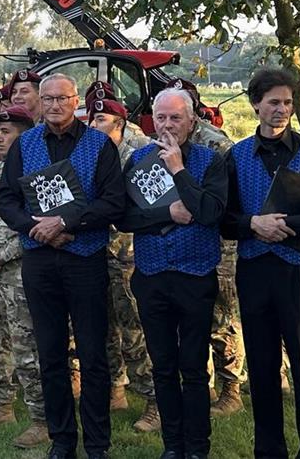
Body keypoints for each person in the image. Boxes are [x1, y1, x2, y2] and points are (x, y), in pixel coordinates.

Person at [0, 73, 125, 459]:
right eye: (48, 98)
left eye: (62, 99)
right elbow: (6, 199)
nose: (54, 105)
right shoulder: (25, 144)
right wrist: (35, 228)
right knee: (50, 354)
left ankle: (97, 445)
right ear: (41, 101)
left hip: (85, 260)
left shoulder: (99, 145)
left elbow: (113, 202)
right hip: (40, 260)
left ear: (75, 101)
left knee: (93, 355)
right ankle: (62, 440)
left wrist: (66, 222)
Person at [221, 67, 300, 459]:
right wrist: (253, 224)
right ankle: (269, 451)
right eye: (273, 102)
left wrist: (286, 227)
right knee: (262, 366)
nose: (282, 109)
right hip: (255, 270)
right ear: (256, 105)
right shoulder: (236, 157)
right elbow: (223, 219)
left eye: (287, 102)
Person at [119, 87, 227, 459]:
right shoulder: (138, 161)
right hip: (151, 276)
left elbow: (210, 213)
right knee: (163, 366)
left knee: (193, 367)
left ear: (191, 121)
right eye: (161, 117)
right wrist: (167, 214)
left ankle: (197, 447)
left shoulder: (210, 162)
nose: (167, 125)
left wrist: (179, 170)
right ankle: (173, 446)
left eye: (175, 118)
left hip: (195, 275)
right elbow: (124, 217)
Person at [0, 104, 49, 448]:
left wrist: (0, 257)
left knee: (27, 348)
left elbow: (39, 226)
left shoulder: (39, 172)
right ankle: (1, 405)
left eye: (6, 133)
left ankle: (42, 419)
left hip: (20, 271)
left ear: (25, 137)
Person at [169, 77, 248, 417]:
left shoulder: (215, 144)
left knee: (223, 315)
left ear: (192, 111)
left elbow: (227, 198)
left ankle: (232, 388)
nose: (171, 121)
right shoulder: (165, 141)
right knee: (194, 320)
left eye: (179, 112)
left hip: (219, 241)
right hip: (183, 244)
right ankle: (206, 383)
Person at [86, 91, 156, 428]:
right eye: (91, 119)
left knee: (135, 329)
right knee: (104, 326)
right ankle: (116, 388)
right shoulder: (91, 156)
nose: (93, 125)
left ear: (120, 125)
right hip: (97, 252)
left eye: (101, 120)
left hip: (128, 256)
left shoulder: (137, 157)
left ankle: (155, 399)